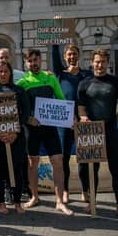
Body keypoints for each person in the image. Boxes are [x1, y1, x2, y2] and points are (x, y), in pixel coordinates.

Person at [16, 49, 73, 215]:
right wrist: (27, 119)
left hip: (49, 127)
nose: (33, 63)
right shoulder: (22, 83)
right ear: (26, 63)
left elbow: (61, 99)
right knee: (33, 163)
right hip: (31, 129)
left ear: (40, 60)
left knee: (58, 161)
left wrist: (69, 118)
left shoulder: (50, 78)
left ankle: (60, 201)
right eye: (30, 61)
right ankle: (34, 197)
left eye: (36, 60)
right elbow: (18, 109)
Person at [77, 49, 118, 220]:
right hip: (91, 131)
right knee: (91, 169)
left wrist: (114, 121)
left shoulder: (116, 82)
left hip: (110, 131)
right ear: (92, 62)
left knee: (115, 169)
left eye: (103, 62)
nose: (99, 65)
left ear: (108, 63)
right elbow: (81, 106)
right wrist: (84, 118)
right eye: (97, 61)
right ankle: (92, 203)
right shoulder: (84, 83)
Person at [0, 62, 29, 214]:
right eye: (0, 71)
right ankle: (2, 203)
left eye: (5, 71)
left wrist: (14, 133)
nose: (3, 74)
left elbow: (26, 113)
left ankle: (17, 202)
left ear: (10, 73)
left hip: (16, 137)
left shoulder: (19, 91)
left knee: (17, 169)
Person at [51, 43, 93, 203]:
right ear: (64, 57)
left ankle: (85, 190)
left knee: (84, 158)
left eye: (74, 54)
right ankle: (66, 190)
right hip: (63, 122)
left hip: (82, 120)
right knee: (64, 158)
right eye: (69, 54)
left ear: (79, 55)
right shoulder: (59, 74)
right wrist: (55, 44)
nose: (72, 57)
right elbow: (54, 59)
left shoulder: (86, 75)